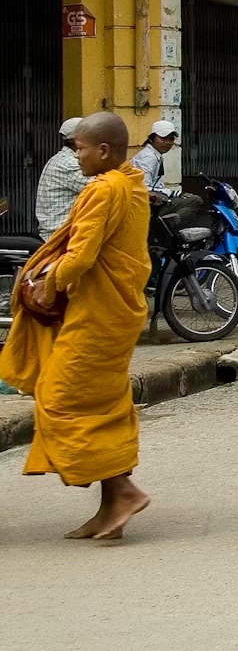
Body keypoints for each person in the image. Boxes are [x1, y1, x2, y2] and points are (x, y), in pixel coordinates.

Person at [1, 112, 152, 539]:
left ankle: (123, 490)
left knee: (60, 398)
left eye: (81, 148)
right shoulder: (131, 183)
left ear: (104, 151)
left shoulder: (104, 190)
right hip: (116, 311)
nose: (76, 155)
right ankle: (111, 506)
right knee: (102, 404)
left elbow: (82, 255)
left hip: (98, 315)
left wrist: (50, 286)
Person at [33, 117, 87, 239]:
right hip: (59, 235)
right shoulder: (70, 164)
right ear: (78, 140)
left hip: (59, 230)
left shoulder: (62, 158)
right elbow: (102, 189)